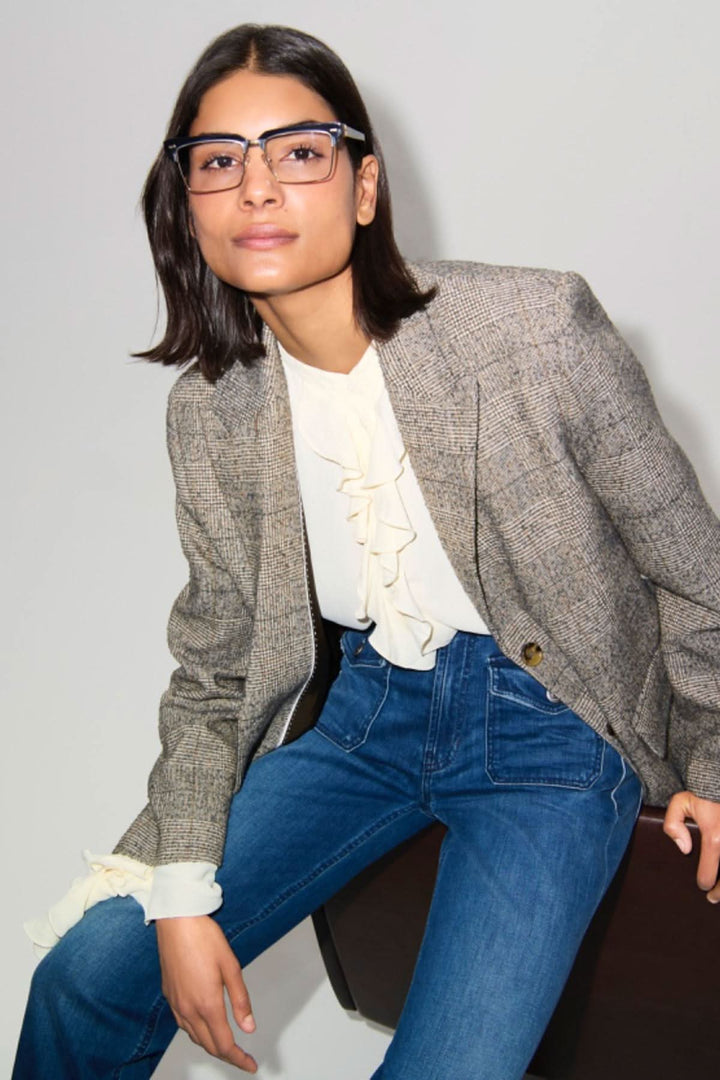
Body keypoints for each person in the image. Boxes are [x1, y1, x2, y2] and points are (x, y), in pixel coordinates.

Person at [12, 22, 720, 1080]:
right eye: (218, 163)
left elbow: (694, 569)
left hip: (552, 739)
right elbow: (214, 669)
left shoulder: (533, 328)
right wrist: (178, 892)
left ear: (363, 184)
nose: (256, 189)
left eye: (297, 152)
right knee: (81, 977)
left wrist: (715, 757)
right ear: (185, 206)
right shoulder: (210, 411)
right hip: (364, 725)